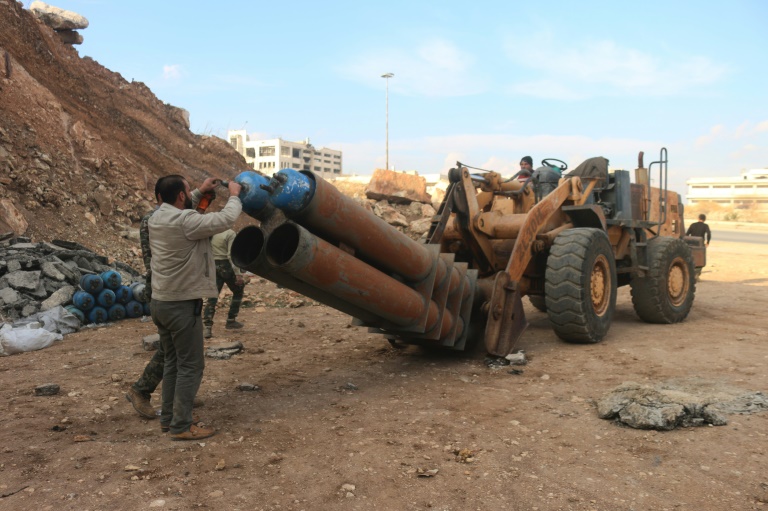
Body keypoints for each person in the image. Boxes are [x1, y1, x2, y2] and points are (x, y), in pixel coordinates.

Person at [149, 175, 242, 441]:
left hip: (161, 302)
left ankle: (169, 419)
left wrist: (201, 190)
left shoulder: (156, 217)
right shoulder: (186, 222)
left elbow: (183, 205)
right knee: (191, 365)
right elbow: (224, 220)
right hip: (181, 305)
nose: (190, 195)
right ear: (180, 196)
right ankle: (181, 425)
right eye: (188, 192)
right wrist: (233, 195)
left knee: (172, 363)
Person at [124, 206, 163, 419]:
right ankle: (140, 390)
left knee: (180, 347)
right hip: (163, 289)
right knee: (171, 346)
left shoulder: (162, 217)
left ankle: (179, 395)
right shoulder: (155, 219)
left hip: (169, 289)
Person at [203, 228, 247, 339]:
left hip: (213, 265)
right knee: (238, 290)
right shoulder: (229, 233)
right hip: (225, 266)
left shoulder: (212, 232)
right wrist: (238, 274)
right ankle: (231, 320)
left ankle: (207, 327)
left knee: (212, 297)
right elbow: (230, 255)